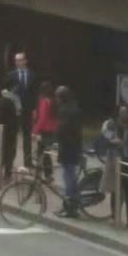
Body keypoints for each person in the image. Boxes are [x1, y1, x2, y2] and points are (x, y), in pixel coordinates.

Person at [100, 106, 128, 228]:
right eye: (121, 112)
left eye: (125, 112)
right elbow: (106, 139)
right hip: (115, 160)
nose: (123, 115)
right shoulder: (112, 125)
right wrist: (113, 141)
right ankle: (114, 216)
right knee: (115, 190)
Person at [6, 52, 39, 169]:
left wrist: (35, 108)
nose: (18, 62)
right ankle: (9, 162)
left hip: (27, 109)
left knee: (27, 136)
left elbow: (35, 93)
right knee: (12, 135)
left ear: (25, 61)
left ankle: (28, 162)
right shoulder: (11, 75)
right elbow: (6, 92)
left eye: (20, 60)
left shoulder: (32, 75)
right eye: (16, 60)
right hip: (14, 110)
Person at [54, 86, 82, 219]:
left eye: (57, 97)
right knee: (71, 176)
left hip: (67, 148)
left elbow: (62, 129)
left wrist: (54, 140)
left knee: (68, 177)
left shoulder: (64, 111)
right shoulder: (75, 108)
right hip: (75, 147)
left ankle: (70, 207)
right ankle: (72, 204)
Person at [32, 81, 58, 182]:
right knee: (46, 153)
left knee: (40, 153)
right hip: (52, 130)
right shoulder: (54, 101)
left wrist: (35, 131)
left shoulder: (44, 101)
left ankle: (38, 175)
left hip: (44, 130)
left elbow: (42, 118)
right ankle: (48, 175)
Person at [0, 82, 21, 182]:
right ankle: (7, 173)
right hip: (12, 129)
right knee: (10, 152)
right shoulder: (16, 100)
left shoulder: (4, 99)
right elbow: (19, 115)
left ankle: (0, 171)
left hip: (5, 128)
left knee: (3, 151)